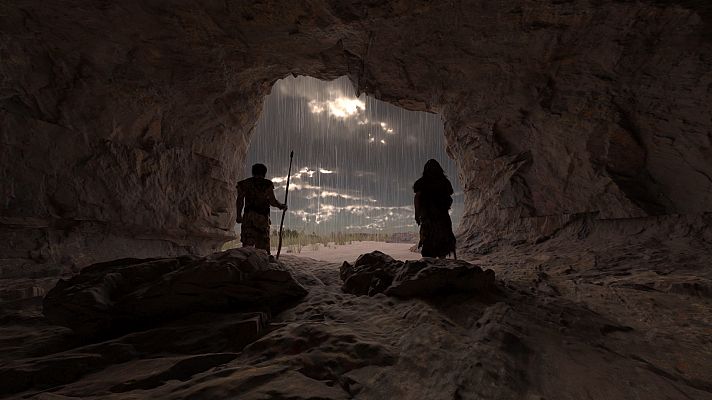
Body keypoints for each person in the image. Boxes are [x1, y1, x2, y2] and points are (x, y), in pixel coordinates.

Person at [235, 163, 287, 253]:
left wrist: (239, 215)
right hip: (262, 218)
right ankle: (262, 264)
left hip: (249, 217)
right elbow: (272, 201)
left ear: (253, 172)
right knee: (263, 247)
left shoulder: (245, 184)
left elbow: (240, 201)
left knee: (247, 246)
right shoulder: (267, 184)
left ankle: (248, 264)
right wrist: (281, 206)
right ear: (264, 173)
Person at [413, 159, 456, 258]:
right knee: (440, 244)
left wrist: (417, 215)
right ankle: (439, 267)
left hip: (429, 217)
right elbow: (450, 193)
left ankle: (430, 267)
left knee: (430, 244)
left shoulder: (423, 182)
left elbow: (417, 198)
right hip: (440, 217)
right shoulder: (444, 182)